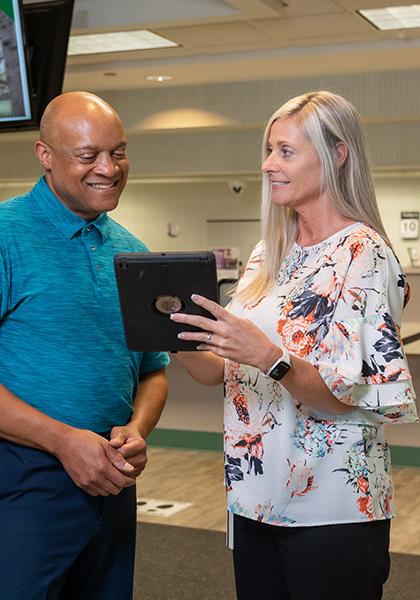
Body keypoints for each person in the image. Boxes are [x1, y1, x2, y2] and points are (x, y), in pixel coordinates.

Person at [0, 91, 169, 599]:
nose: (108, 168)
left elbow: (152, 369)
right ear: (45, 155)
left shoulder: (132, 251)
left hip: (111, 471)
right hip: (24, 472)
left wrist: (137, 430)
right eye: (87, 155)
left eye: (118, 152)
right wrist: (61, 440)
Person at [170, 91, 417, 600]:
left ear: (337, 153)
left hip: (333, 506)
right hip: (256, 497)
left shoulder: (363, 253)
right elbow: (217, 371)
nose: (267, 165)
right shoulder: (268, 253)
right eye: (268, 150)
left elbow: (341, 396)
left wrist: (267, 354)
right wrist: (169, 331)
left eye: (285, 151)